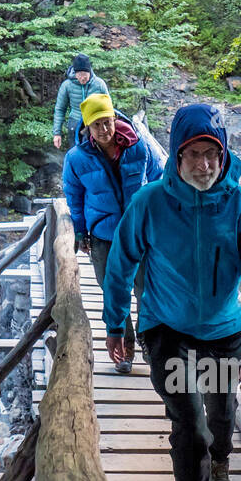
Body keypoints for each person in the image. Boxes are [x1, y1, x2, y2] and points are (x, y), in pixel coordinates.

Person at [103, 103, 241, 481]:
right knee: (190, 426)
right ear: (176, 157)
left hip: (224, 329)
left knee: (222, 415)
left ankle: (221, 463)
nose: (204, 165)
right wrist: (115, 323)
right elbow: (120, 266)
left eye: (212, 154)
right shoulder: (150, 204)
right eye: (194, 154)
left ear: (224, 156)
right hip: (166, 329)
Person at [61, 93, 162, 372]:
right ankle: (124, 348)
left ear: (114, 119)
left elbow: (159, 179)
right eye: (97, 125)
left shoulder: (138, 147)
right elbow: (74, 197)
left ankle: (151, 347)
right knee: (111, 290)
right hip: (104, 235)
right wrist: (81, 232)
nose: (104, 130)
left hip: (140, 232)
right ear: (87, 128)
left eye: (107, 122)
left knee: (147, 291)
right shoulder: (77, 159)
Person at [51, 54, 108, 150]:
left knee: (96, 155)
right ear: (75, 73)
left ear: (89, 72)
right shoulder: (67, 85)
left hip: (96, 123)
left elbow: (108, 108)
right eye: (79, 74)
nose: (82, 78)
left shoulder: (99, 84)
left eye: (85, 74)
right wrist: (57, 133)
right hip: (75, 123)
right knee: (76, 155)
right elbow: (60, 109)